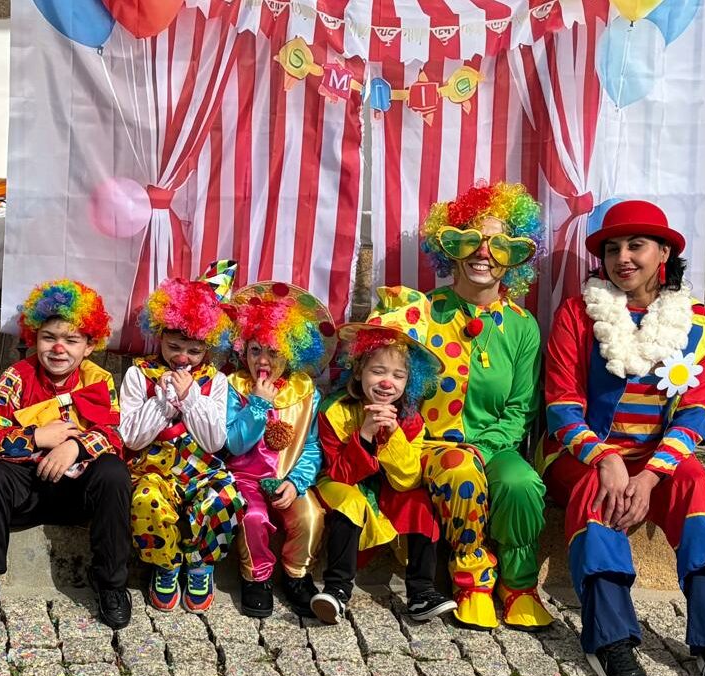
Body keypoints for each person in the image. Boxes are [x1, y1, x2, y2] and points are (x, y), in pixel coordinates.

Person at [543, 199, 705, 676]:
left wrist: (652, 475)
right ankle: (611, 641)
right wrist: (606, 459)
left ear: (664, 253)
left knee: (701, 501)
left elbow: (695, 412)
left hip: (659, 459)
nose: (623, 258)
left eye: (636, 245)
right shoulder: (577, 314)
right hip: (585, 455)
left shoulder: (698, 325)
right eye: (612, 248)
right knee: (599, 499)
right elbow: (562, 405)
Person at [0, 279, 132, 642]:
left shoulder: (99, 380)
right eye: (48, 337)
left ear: (89, 346)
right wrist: (36, 437)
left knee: (115, 472)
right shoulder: (16, 377)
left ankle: (112, 583)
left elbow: (115, 434)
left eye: (71, 340)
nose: (58, 348)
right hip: (26, 490)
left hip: (76, 493)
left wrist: (76, 446)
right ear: (33, 337)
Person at [415, 182, 552, 631]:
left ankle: (519, 587)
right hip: (436, 447)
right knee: (458, 467)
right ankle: (473, 580)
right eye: (471, 239)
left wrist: (487, 446)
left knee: (520, 483)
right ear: (450, 247)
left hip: (494, 447)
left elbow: (520, 408)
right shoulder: (423, 312)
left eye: (498, 244)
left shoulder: (522, 325)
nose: (483, 254)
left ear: (513, 257)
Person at [308, 288, 455, 625]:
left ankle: (421, 591)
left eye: (398, 375)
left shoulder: (411, 419)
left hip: (387, 488)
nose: (387, 382)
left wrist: (390, 436)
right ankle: (337, 589)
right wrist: (366, 434)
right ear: (359, 370)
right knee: (350, 500)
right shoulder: (336, 410)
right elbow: (340, 474)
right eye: (378, 371)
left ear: (410, 380)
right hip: (342, 483)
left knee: (418, 501)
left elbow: (406, 477)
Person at [121, 261, 242, 613]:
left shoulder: (215, 381)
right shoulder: (138, 375)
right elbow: (131, 437)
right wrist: (160, 403)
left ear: (208, 348)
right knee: (145, 500)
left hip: (200, 467)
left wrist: (190, 399)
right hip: (153, 469)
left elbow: (214, 441)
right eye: (174, 347)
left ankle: (201, 563)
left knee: (224, 495)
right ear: (159, 336)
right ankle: (166, 562)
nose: (182, 358)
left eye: (194, 351)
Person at [224, 282, 334, 619]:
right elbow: (234, 443)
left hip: (287, 478)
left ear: (292, 353)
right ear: (243, 350)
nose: (263, 361)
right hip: (244, 480)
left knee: (311, 515)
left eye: (274, 352)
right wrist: (257, 404)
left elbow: (312, 446)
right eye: (256, 350)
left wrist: (297, 482)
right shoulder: (234, 387)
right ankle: (256, 577)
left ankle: (295, 575)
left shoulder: (305, 392)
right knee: (252, 517)